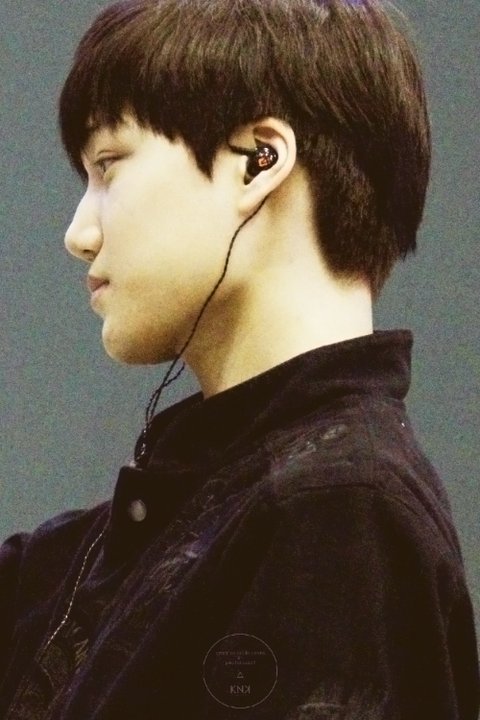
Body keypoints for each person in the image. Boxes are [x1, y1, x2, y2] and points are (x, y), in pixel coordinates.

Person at [0, 0, 478, 717]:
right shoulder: (132, 540)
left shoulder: (337, 512)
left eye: (108, 166)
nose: (79, 232)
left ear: (259, 160)